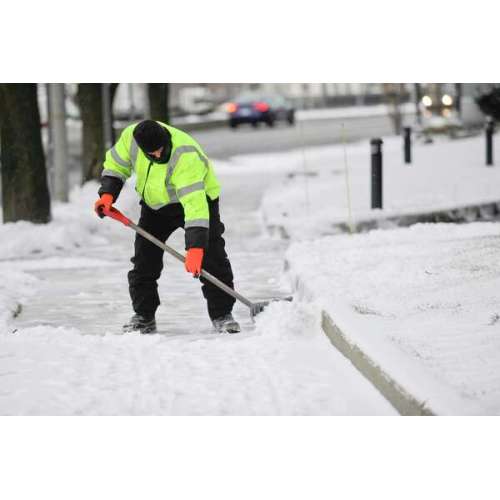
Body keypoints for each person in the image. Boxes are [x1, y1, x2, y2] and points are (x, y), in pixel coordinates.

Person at [94, 120, 240, 334]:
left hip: (196, 200)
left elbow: (194, 206)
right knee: (144, 259)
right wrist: (107, 195)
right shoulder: (131, 139)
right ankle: (143, 316)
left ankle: (222, 314)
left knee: (212, 257)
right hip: (155, 205)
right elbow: (116, 165)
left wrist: (196, 248)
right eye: (150, 153)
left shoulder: (185, 155)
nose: (156, 155)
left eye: (159, 150)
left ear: (165, 139)